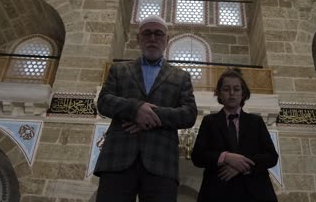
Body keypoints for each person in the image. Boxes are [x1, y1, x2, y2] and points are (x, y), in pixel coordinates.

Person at [94, 15, 198, 202]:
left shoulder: (180, 76)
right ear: (138, 39)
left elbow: (189, 114)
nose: (152, 38)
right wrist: (135, 109)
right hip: (118, 158)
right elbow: (104, 102)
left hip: (161, 161)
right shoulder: (119, 70)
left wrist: (149, 116)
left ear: (166, 40)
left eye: (158, 34)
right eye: (147, 33)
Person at [191, 68, 278, 202]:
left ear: (243, 93)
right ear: (219, 93)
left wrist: (241, 165)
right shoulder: (209, 122)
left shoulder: (256, 122)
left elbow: (271, 157)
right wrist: (225, 157)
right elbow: (197, 156)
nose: (232, 93)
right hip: (218, 192)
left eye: (236, 89)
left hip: (254, 192)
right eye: (226, 89)